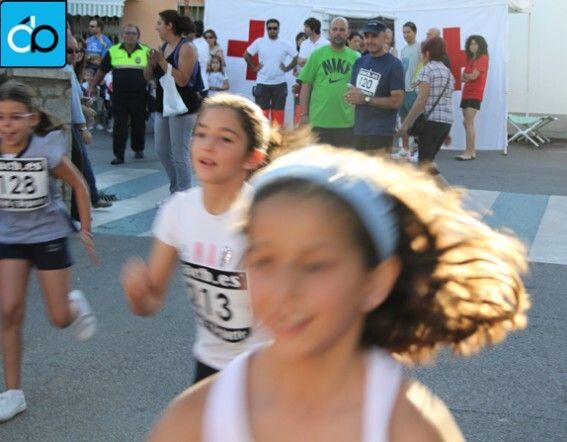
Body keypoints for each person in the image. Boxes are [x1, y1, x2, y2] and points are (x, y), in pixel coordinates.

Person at [148, 144, 530, 442]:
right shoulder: (194, 421)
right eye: (264, 260)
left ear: (375, 282)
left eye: (315, 265)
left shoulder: (410, 430)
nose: (284, 291)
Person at [121, 93, 296, 383]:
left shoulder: (267, 219)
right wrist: (137, 295)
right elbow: (151, 302)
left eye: (225, 139)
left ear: (252, 157)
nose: (208, 146)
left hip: (267, 370)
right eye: (200, 134)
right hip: (208, 366)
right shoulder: (177, 210)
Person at [0, 80, 98, 423]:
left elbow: (79, 185)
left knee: (58, 318)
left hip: (48, 235)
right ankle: (13, 393)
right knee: (8, 311)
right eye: (1, 118)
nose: (7, 125)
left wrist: (85, 230)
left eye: (15, 117)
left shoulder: (45, 148)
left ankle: (75, 305)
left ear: (31, 119)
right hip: (10, 237)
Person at [145, 9, 201, 194]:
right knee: (161, 150)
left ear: (169, 25)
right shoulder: (163, 47)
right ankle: (176, 190)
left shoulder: (187, 47)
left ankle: (183, 193)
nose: (156, 28)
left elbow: (182, 80)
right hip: (164, 105)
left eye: (159, 23)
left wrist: (162, 61)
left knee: (179, 154)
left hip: (183, 107)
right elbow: (147, 77)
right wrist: (150, 62)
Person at [87, 24, 151, 165]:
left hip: (139, 95)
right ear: (122, 35)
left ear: (138, 36)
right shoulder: (113, 51)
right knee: (119, 125)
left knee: (138, 124)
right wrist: (93, 86)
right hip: (119, 96)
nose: (130, 36)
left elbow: (154, 71)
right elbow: (102, 71)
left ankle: (138, 148)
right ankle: (119, 155)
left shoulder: (146, 51)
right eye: (127, 33)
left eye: (133, 33)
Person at [64, 32, 112, 211]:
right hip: (73, 125)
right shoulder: (66, 70)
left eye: (77, 51)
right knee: (81, 163)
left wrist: (83, 100)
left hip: (74, 124)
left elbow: (75, 98)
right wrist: (84, 128)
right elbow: (72, 103)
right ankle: (85, 203)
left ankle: (92, 197)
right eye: (69, 51)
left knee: (83, 162)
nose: (74, 55)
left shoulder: (69, 69)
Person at [345, 20, 405, 154]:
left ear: (384, 37)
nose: (369, 40)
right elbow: (354, 91)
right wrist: (351, 96)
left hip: (381, 131)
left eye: (374, 36)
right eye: (366, 36)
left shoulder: (394, 64)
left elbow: (397, 101)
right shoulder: (360, 62)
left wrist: (366, 99)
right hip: (359, 129)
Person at [299, 17, 358, 147]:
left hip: (346, 123)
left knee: (343, 160)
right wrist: (304, 114)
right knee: (319, 160)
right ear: (329, 32)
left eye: (342, 30)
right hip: (319, 121)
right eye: (335, 29)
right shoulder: (317, 55)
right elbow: (306, 85)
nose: (338, 33)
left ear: (348, 33)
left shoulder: (356, 58)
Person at [398, 37, 454, 168]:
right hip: (446, 123)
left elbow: (421, 99)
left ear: (427, 53)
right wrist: (446, 132)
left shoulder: (428, 70)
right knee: (428, 162)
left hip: (431, 122)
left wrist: (406, 123)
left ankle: (441, 183)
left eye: (421, 53)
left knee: (424, 163)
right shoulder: (448, 73)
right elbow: (446, 101)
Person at [243, 19, 298, 126]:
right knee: (261, 116)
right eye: (270, 28)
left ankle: (276, 136)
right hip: (262, 83)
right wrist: (254, 67)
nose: (272, 30)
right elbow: (246, 55)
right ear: (266, 29)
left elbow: (296, 57)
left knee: (278, 117)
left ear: (278, 29)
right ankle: (263, 135)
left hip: (279, 84)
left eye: (275, 28)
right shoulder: (259, 42)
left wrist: (287, 68)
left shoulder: (285, 44)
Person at [457, 35, 488, 161]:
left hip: (475, 93)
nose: (473, 46)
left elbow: (473, 76)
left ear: (481, 45)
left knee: (468, 122)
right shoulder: (471, 60)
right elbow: (462, 78)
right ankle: (472, 150)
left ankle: (468, 151)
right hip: (466, 93)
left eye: (475, 44)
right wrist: (467, 76)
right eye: (471, 44)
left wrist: (467, 76)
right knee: (467, 122)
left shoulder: (483, 58)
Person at [395, 21, 422, 161]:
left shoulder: (419, 47)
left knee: (416, 122)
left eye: (408, 32)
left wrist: (418, 82)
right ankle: (405, 150)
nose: (406, 35)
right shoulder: (404, 50)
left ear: (415, 32)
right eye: (404, 32)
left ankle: (420, 151)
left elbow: (424, 65)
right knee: (403, 120)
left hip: (413, 91)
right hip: (403, 90)